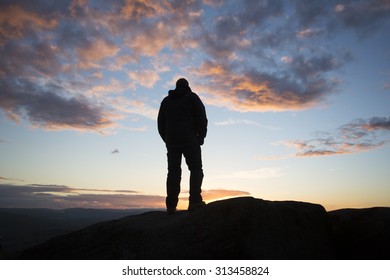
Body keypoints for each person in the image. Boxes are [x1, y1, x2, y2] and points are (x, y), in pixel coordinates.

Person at [158, 78, 208, 214]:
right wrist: (201, 137)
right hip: (190, 139)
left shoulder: (166, 101)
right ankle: (195, 202)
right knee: (196, 169)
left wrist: (167, 139)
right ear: (187, 86)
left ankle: (171, 206)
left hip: (172, 140)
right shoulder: (192, 98)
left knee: (173, 172)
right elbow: (202, 117)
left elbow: (160, 124)